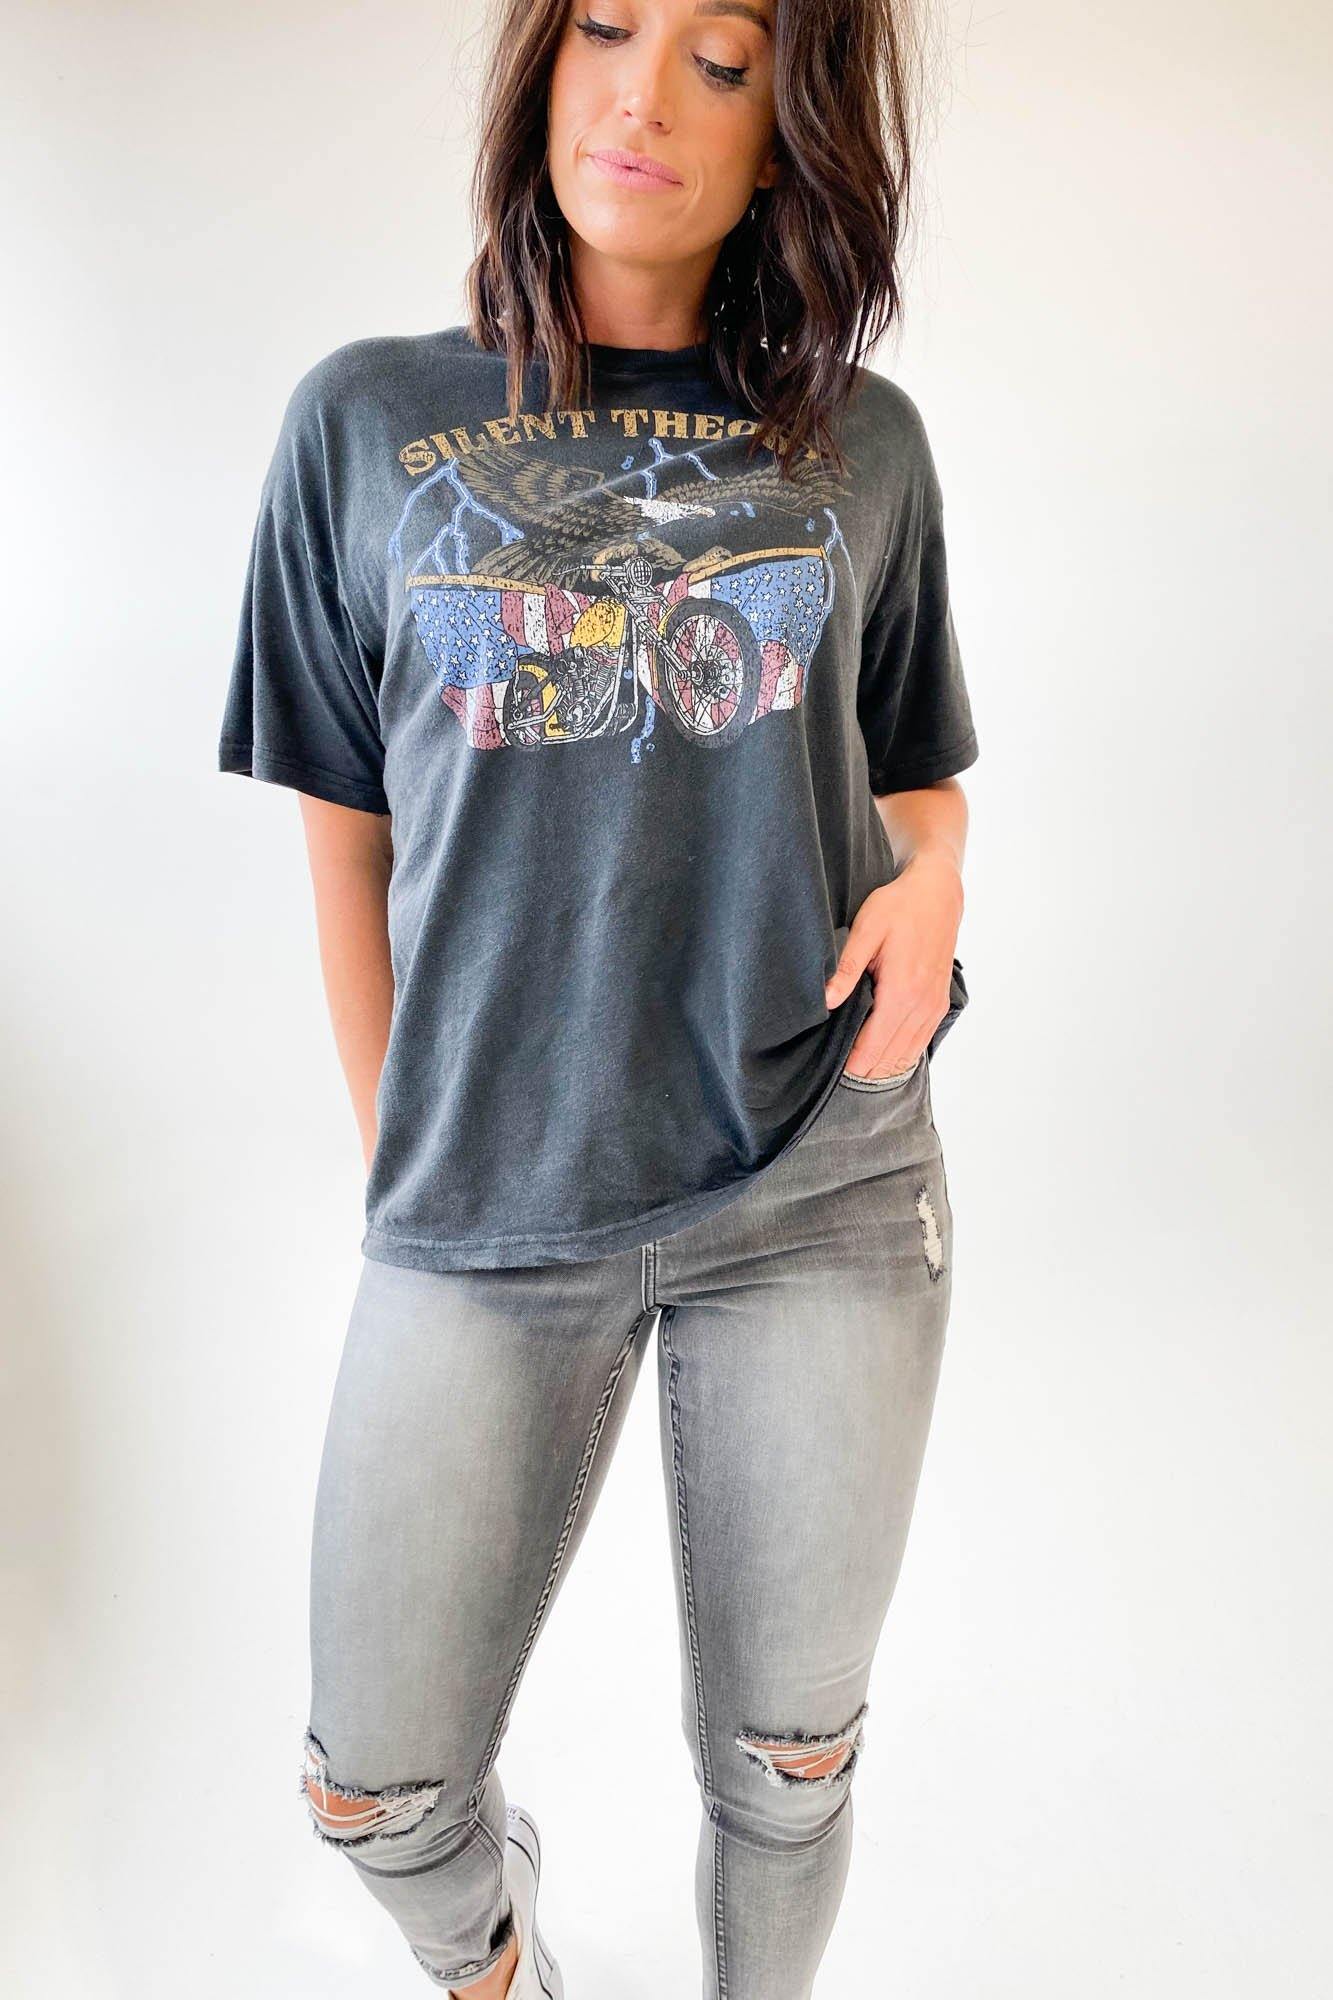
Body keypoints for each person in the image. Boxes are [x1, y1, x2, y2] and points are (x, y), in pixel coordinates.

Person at [217, 1, 979, 1993]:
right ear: (536, 69)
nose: (643, 94)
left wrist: (939, 880)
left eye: (719, 60)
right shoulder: (361, 421)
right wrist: (405, 1152)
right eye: (604, 29)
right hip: (489, 1190)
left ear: (782, 134)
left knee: (785, 1769)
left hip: (821, 1175)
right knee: (376, 1787)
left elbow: (912, 770)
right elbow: (345, 839)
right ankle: (504, 1967)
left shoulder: (864, 444)